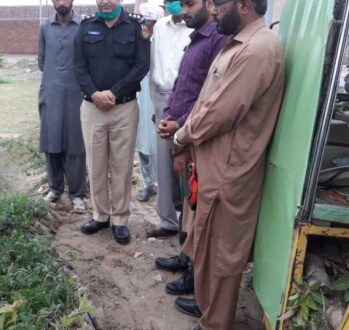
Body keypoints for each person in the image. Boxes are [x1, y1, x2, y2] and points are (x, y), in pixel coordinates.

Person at [171, 0, 285, 328]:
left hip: (229, 172)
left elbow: (219, 113)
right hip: (214, 167)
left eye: (219, 4)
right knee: (207, 246)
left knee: (223, 256)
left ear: (244, 5)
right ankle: (208, 314)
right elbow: (207, 101)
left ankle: (215, 323)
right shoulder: (236, 45)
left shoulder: (258, 49)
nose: (215, 9)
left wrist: (181, 138)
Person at [154, 0, 228, 300]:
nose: (183, 10)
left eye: (189, 3)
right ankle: (185, 258)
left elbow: (208, 100)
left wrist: (180, 126)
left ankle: (194, 276)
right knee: (187, 206)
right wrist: (169, 116)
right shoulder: (196, 39)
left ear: (210, 4)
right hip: (181, 135)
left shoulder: (218, 42)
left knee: (197, 210)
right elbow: (182, 87)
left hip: (197, 139)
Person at [74, 0, 150, 244]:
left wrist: (114, 92)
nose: (106, 1)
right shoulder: (85, 27)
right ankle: (101, 215)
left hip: (124, 107)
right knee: (95, 164)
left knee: (122, 165)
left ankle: (119, 219)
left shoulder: (135, 27)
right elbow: (78, 65)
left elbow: (141, 65)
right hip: (92, 107)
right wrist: (95, 93)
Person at [146, 0, 192, 235]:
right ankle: (167, 221)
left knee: (187, 164)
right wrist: (157, 106)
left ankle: (188, 226)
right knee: (164, 163)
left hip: (189, 100)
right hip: (163, 99)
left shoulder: (198, 28)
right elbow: (155, 67)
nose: (172, 4)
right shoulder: (160, 27)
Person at [38, 0, 87, 214]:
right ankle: (55, 188)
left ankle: (77, 195)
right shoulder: (45, 27)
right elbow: (42, 60)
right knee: (51, 141)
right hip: (51, 92)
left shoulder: (83, 26)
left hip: (77, 93)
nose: (61, 2)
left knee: (75, 144)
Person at [134, 2, 165, 203]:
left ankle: (161, 184)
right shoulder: (139, 39)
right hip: (139, 92)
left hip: (158, 92)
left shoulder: (164, 39)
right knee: (142, 141)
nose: (147, 26)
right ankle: (148, 183)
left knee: (157, 141)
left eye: (150, 22)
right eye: (145, 22)